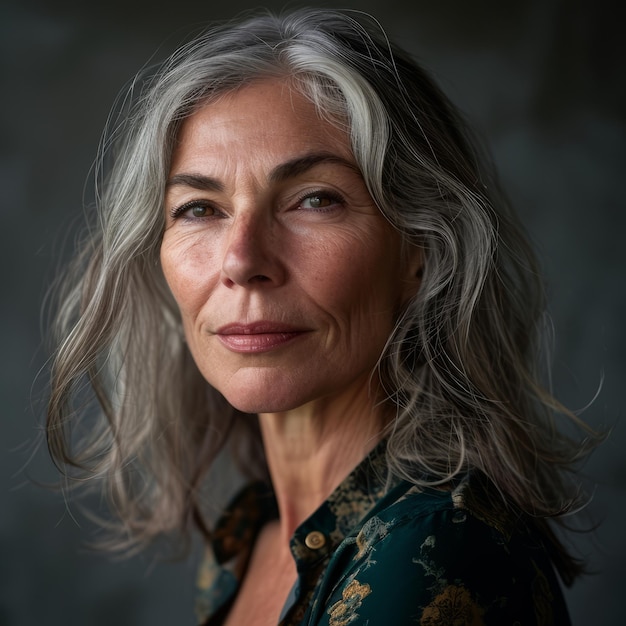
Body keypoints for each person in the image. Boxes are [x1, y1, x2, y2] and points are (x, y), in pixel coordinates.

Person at [46, 8, 600, 625]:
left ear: (418, 248)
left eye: (315, 200)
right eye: (199, 208)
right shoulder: (247, 537)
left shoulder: (434, 556)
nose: (243, 260)